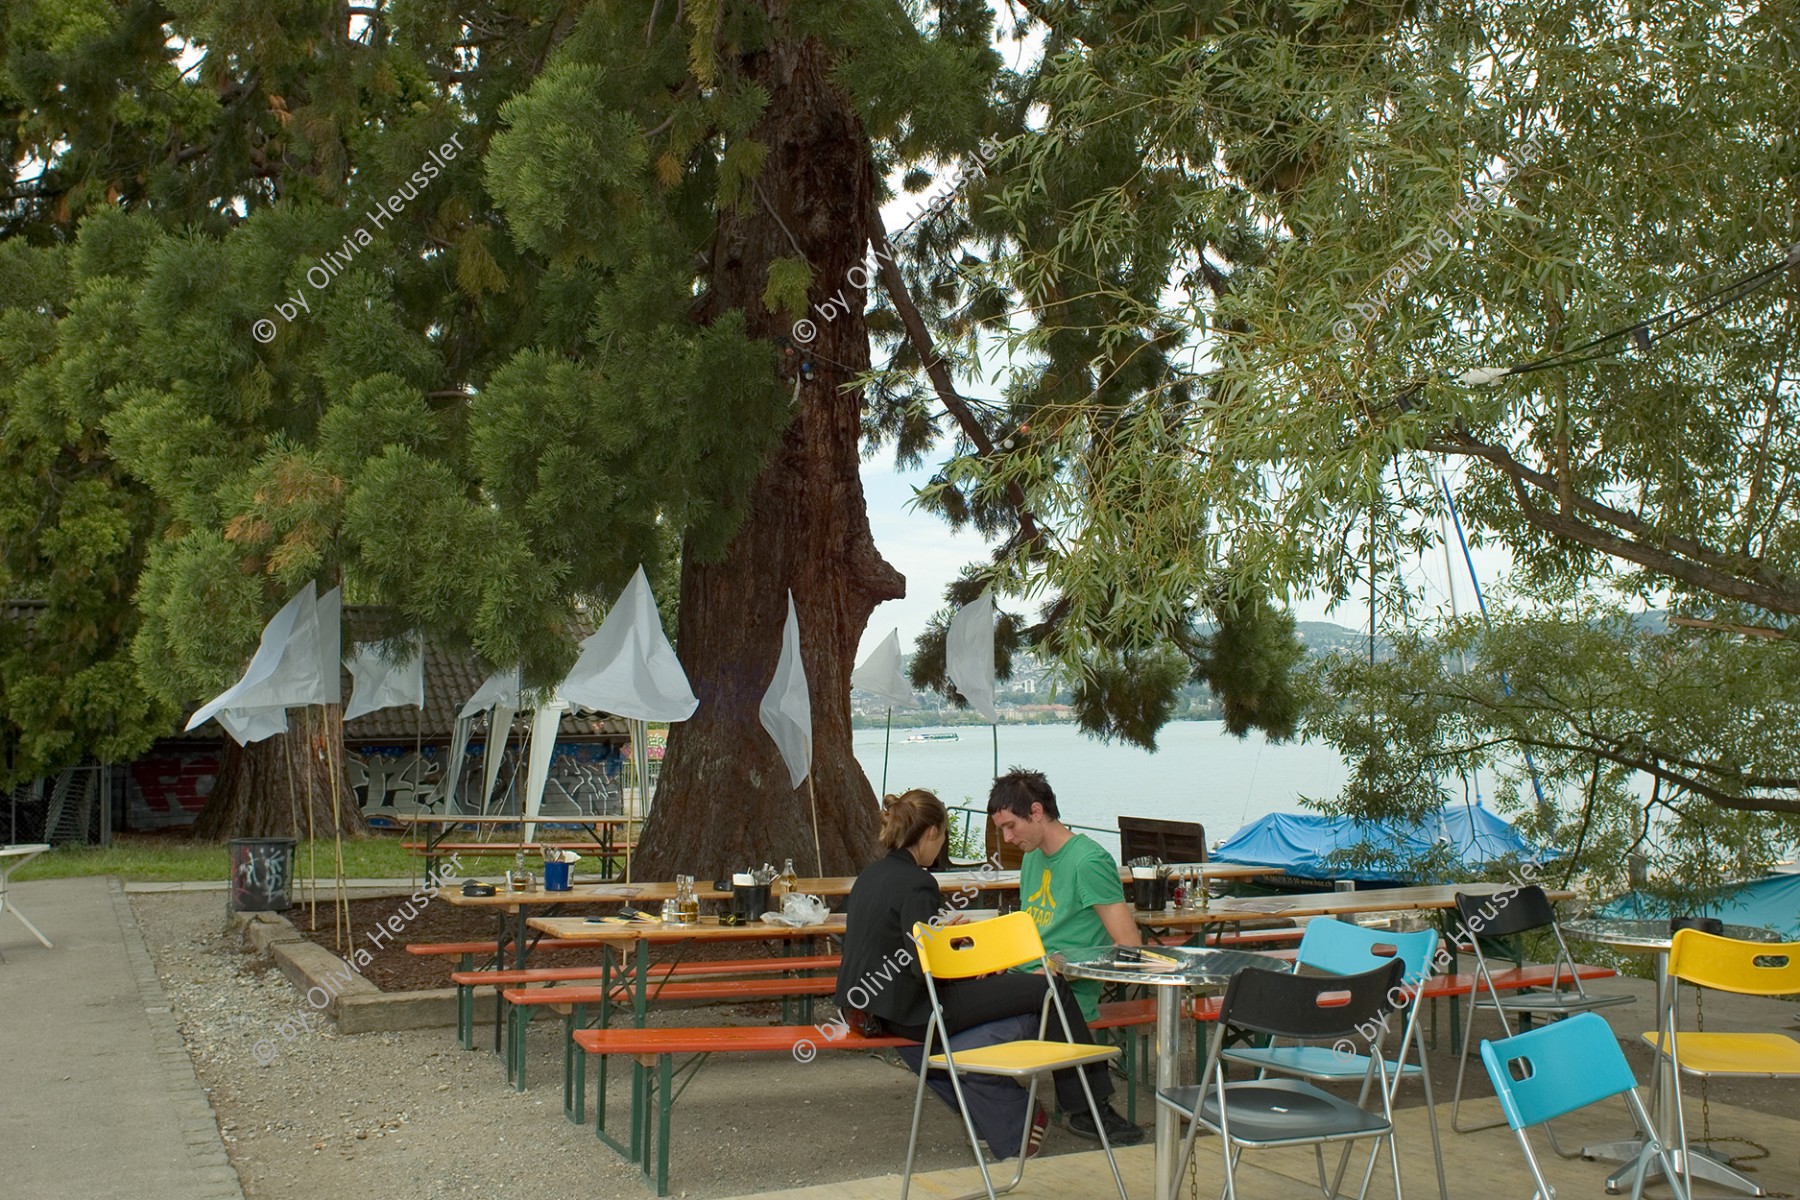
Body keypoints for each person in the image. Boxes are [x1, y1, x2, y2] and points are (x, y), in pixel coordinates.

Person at [836, 788, 1144, 1153]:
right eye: (944, 837)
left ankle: (1011, 1118)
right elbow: (924, 965)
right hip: (916, 1010)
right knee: (1049, 989)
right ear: (932, 833)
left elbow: (896, 945)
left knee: (1035, 987)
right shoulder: (919, 882)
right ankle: (1088, 1109)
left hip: (869, 1009)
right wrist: (963, 954)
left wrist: (956, 946)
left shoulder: (871, 875)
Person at [987, 767, 1144, 1123]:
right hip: (1027, 978)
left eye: (1011, 826)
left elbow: (1128, 945)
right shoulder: (1032, 857)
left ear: (1037, 812)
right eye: (1003, 830)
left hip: (1065, 991)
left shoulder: (1088, 861)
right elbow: (1032, 927)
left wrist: (1065, 965)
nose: (1007, 838)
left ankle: (1027, 1116)